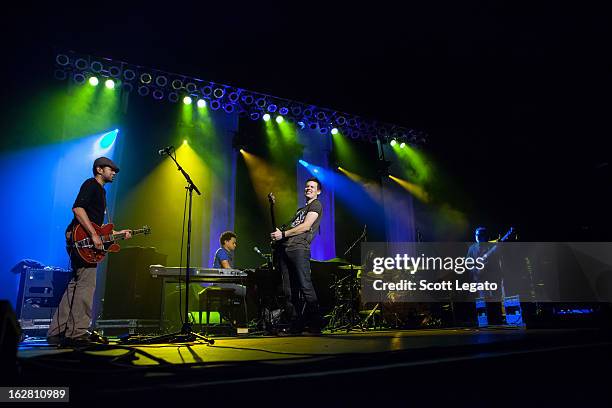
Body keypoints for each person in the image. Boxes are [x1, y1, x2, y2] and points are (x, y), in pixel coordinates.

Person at [47, 157, 132, 345]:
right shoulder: (91, 184)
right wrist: (93, 235)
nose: (114, 173)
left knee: (75, 285)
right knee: (86, 285)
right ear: (99, 170)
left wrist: (118, 233)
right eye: (111, 169)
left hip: (83, 239)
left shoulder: (101, 192)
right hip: (81, 240)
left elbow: (99, 228)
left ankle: (57, 331)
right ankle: (77, 333)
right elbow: (78, 209)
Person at [270, 177, 323, 334]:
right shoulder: (300, 210)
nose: (309, 189)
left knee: (305, 286)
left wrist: (283, 234)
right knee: (289, 291)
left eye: (312, 187)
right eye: (307, 186)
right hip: (286, 250)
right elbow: (287, 228)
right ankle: (296, 324)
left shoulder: (316, 205)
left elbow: (306, 226)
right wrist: (272, 207)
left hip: (299, 249)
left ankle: (316, 324)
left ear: (318, 191)